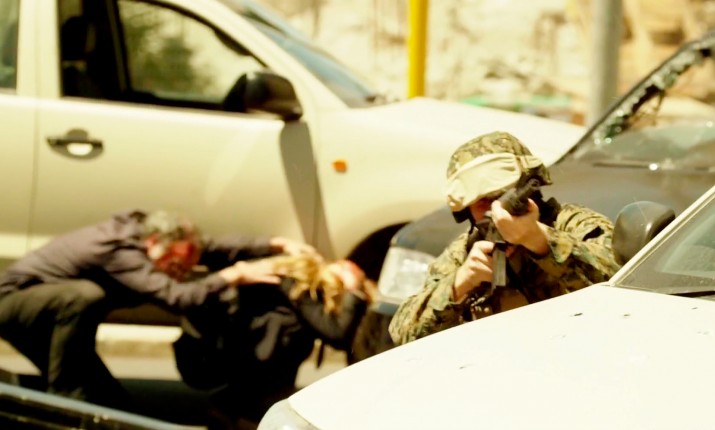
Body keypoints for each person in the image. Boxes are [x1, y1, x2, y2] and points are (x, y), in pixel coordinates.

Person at [0, 209, 315, 411]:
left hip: (58, 318)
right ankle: (64, 399)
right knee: (84, 298)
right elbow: (176, 297)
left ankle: (55, 396)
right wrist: (231, 276)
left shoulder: (152, 241)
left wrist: (275, 245)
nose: (180, 273)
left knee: (110, 402)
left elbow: (213, 247)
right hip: (14, 306)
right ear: (154, 245)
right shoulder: (120, 252)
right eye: (175, 266)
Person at [388, 131, 621, 345]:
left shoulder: (573, 224)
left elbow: (619, 280)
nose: (495, 209)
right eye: (482, 202)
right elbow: (402, 333)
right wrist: (461, 283)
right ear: (466, 210)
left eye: (501, 196)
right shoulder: (466, 252)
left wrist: (540, 241)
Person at [172, 251, 377, 428]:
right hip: (209, 360)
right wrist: (354, 291)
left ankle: (237, 408)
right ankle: (240, 410)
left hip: (211, 355)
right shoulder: (297, 284)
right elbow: (336, 333)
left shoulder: (286, 282)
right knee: (292, 328)